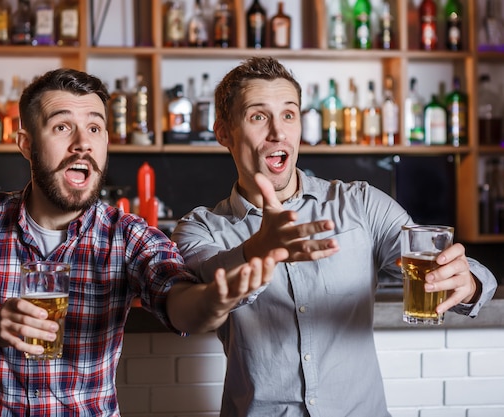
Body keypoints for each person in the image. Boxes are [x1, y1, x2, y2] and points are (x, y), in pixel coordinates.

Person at [0, 68, 280, 416]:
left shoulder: (128, 235)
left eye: (94, 128)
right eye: (62, 127)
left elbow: (181, 304)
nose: (82, 144)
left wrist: (216, 300)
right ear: (26, 144)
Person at [171, 56, 498, 417]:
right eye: (258, 116)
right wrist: (256, 251)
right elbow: (204, 301)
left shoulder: (360, 204)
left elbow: (429, 255)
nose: (278, 132)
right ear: (223, 133)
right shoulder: (201, 228)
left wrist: (468, 282)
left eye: (289, 114)